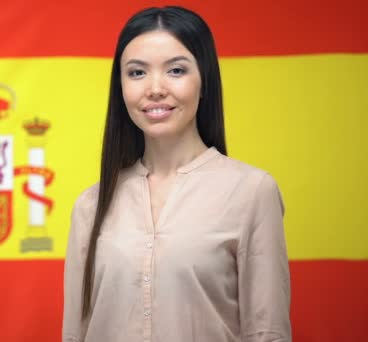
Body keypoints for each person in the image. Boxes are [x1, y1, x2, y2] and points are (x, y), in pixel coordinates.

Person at [62, 6, 291, 342]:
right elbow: (74, 334)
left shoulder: (252, 192)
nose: (154, 88)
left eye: (176, 70)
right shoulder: (91, 205)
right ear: (120, 86)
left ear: (205, 81)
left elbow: (267, 333)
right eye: (137, 73)